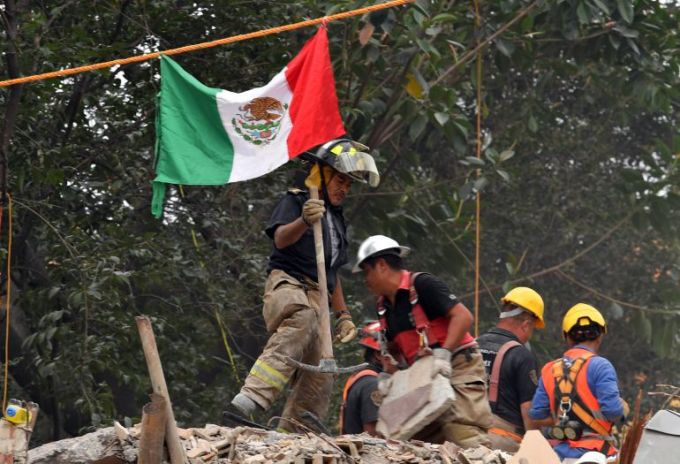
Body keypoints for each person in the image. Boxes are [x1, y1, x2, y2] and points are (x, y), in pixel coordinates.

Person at [230, 139, 380, 432]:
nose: (344, 188)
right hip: (287, 283)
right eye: (340, 180)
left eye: (349, 184)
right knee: (302, 319)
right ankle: (250, 399)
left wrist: (343, 315)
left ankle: (296, 430)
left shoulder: (337, 220)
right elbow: (280, 240)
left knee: (325, 366)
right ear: (322, 174)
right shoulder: (297, 200)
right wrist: (303, 219)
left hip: (319, 294)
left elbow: (332, 273)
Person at [354, 235, 492, 448]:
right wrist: (390, 373)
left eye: (367, 271)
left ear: (381, 265)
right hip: (424, 372)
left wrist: (443, 354)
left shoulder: (422, 285)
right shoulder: (384, 306)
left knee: (463, 432)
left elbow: (463, 317)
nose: (365, 279)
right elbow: (396, 348)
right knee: (423, 440)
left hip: (458, 364)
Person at [529, 303, 625, 461]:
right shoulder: (601, 366)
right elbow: (613, 412)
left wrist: (563, 417)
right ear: (600, 336)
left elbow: (537, 415)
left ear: (567, 337)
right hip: (596, 454)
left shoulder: (549, 369)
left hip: (559, 454)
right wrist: (622, 411)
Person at [476, 287, 544, 451]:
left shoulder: (473, 344)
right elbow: (529, 411)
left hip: (466, 437)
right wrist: (535, 449)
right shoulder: (521, 356)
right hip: (503, 442)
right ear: (526, 325)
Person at [339, 321, 384, 436]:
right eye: (396, 351)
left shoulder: (362, 378)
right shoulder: (373, 385)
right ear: (378, 354)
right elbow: (373, 437)